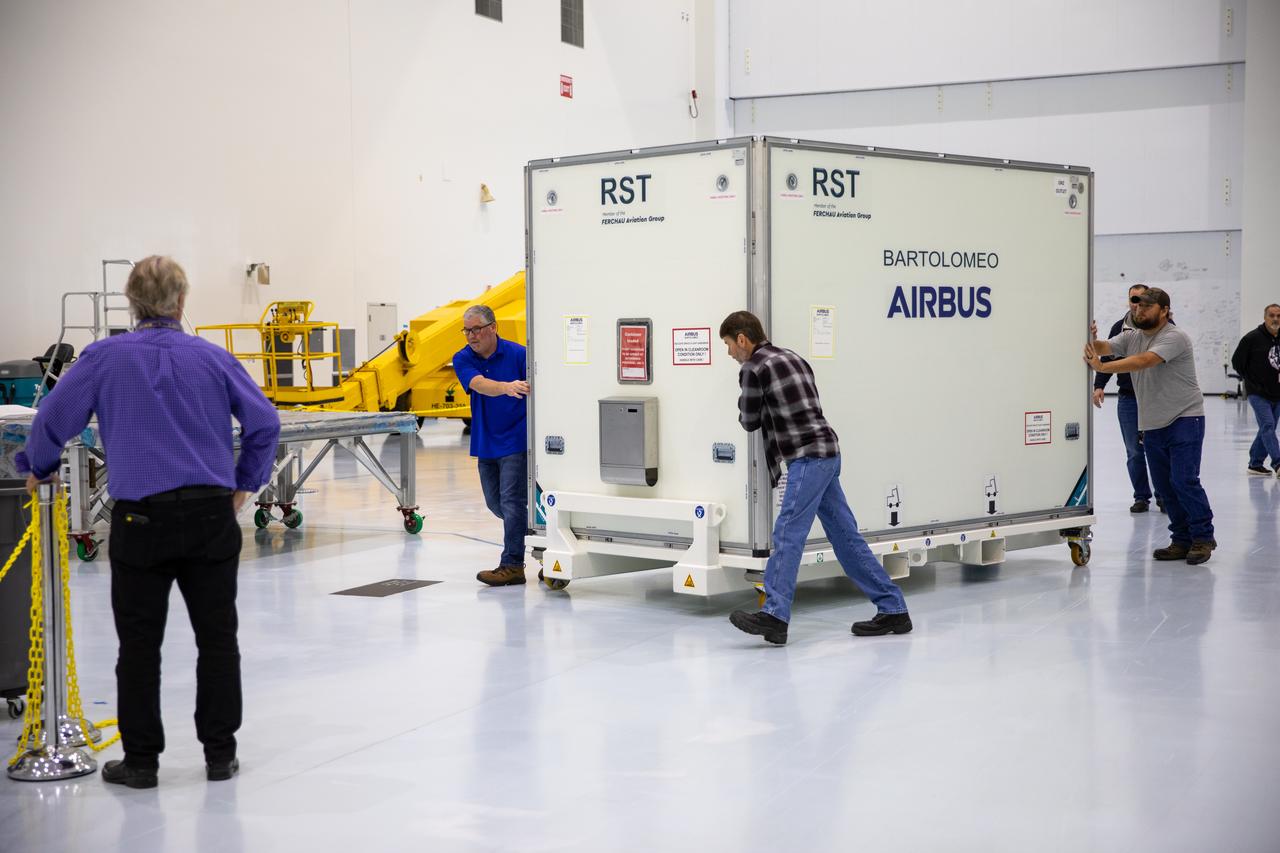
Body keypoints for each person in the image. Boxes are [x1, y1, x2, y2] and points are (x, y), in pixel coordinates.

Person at [16, 255, 280, 788]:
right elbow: (265, 421)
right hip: (210, 516)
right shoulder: (214, 358)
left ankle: (140, 762)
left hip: (140, 521)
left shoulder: (103, 358)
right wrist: (243, 485)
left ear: (132, 303)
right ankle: (219, 755)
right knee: (217, 639)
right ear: (182, 301)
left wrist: (36, 467)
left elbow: (52, 419)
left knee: (138, 646)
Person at [719, 310, 910, 645]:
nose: (729, 353)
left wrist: (748, 397)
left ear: (742, 339)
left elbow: (749, 420)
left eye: (728, 345)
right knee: (845, 538)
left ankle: (775, 615)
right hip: (829, 453)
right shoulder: (793, 357)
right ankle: (893, 609)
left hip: (807, 459)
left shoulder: (753, 368)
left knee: (788, 532)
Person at [1084, 287, 1215, 565]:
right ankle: (1181, 540)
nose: (1139, 311)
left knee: (1184, 481)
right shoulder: (1131, 336)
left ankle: (1203, 537)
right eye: (1136, 306)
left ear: (1164, 310)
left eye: (1146, 307)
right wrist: (1089, 338)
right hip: (1152, 422)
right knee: (1166, 487)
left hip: (1184, 418)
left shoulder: (1173, 336)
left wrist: (1103, 368)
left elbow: (1145, 361)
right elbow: (1104, 347)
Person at [452, 305, 530, 586]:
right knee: (497, 504)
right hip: (486, 441)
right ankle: (535, 533)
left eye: (476, 329)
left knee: (511, 502)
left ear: (493, 327)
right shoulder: (462, 357)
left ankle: (512, 565)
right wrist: (506, 387)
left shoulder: (519, 354)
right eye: (467, 330)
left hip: (516, 439)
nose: (471, 336)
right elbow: (478, 383)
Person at [1093, 283, 1164, 513]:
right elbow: (1107, 354)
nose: (1138, 306)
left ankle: (1163, 495)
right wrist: (1099, 385)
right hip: (1128, 398)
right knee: (1134, 451)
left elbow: (1143, 361)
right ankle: (1141, 496)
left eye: (1143, 302)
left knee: (1157, 449)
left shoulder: (1166, 330)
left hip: (1155, 398)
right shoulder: (1119, 328)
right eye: (1134, 301)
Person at [1230, 303, 1280, 476]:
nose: (1275, 319)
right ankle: (1278, 463)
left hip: (1277, 393)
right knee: (1267, 425)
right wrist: (1251, 380)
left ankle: (1255, 463)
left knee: (1268, 428)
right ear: (1265, 317)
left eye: (1278, 316)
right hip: (1257, 392)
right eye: (1271, 315)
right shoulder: (1252, 338)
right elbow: (1237, 362)